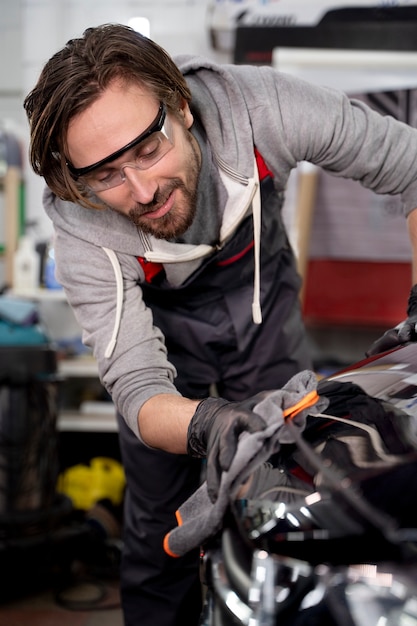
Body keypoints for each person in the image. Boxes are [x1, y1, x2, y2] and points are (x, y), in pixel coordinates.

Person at [23, 23, 417, 626]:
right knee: (162, 534)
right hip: (166, 372)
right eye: (106, 175)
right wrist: (208, 424)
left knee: (288, 501)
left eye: (149, 149)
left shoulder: (264, 109)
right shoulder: (83, 228)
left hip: (264, 329)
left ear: (181, 104)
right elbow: (139, 390)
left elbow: (410, 165)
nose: (142, 189)